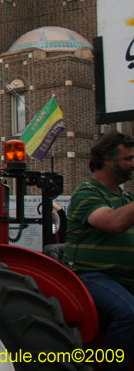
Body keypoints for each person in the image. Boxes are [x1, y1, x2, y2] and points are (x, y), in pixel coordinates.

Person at [62, 131, 134, 371]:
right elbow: (113, 223)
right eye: (128, 159)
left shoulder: (126, 198)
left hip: (122, 279)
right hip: (89, 276)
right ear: (108, 161)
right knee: (129, 314)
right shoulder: (86, 194)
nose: (133, 163)